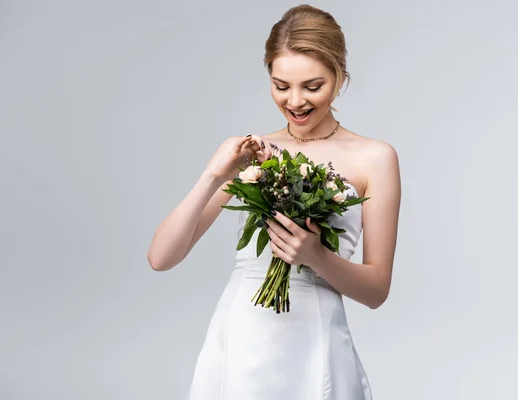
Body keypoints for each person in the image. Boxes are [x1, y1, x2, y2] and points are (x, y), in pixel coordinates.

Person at [147, 4, 401, 399]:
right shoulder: (253, 153)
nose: (295, 101)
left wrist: (317, 257)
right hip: (243, 341)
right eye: (281, 86)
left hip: (316, 343)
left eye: (312, 86)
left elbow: (377, 291)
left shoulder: (375, 157)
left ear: (340, 75)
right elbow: (161, 258)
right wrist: (213, 174)